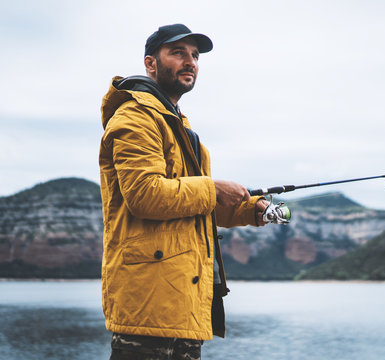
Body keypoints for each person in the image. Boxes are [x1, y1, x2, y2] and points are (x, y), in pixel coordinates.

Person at [99, 24, 268, 360]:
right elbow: (146, 195)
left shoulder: (180, 127)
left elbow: (195, 203)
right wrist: (213, 187)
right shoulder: (135, 118)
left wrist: (250, 209)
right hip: (148, 308)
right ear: (151, 64)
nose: (190, 61)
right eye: (178, 53)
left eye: (194, 55)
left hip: (183, 308)